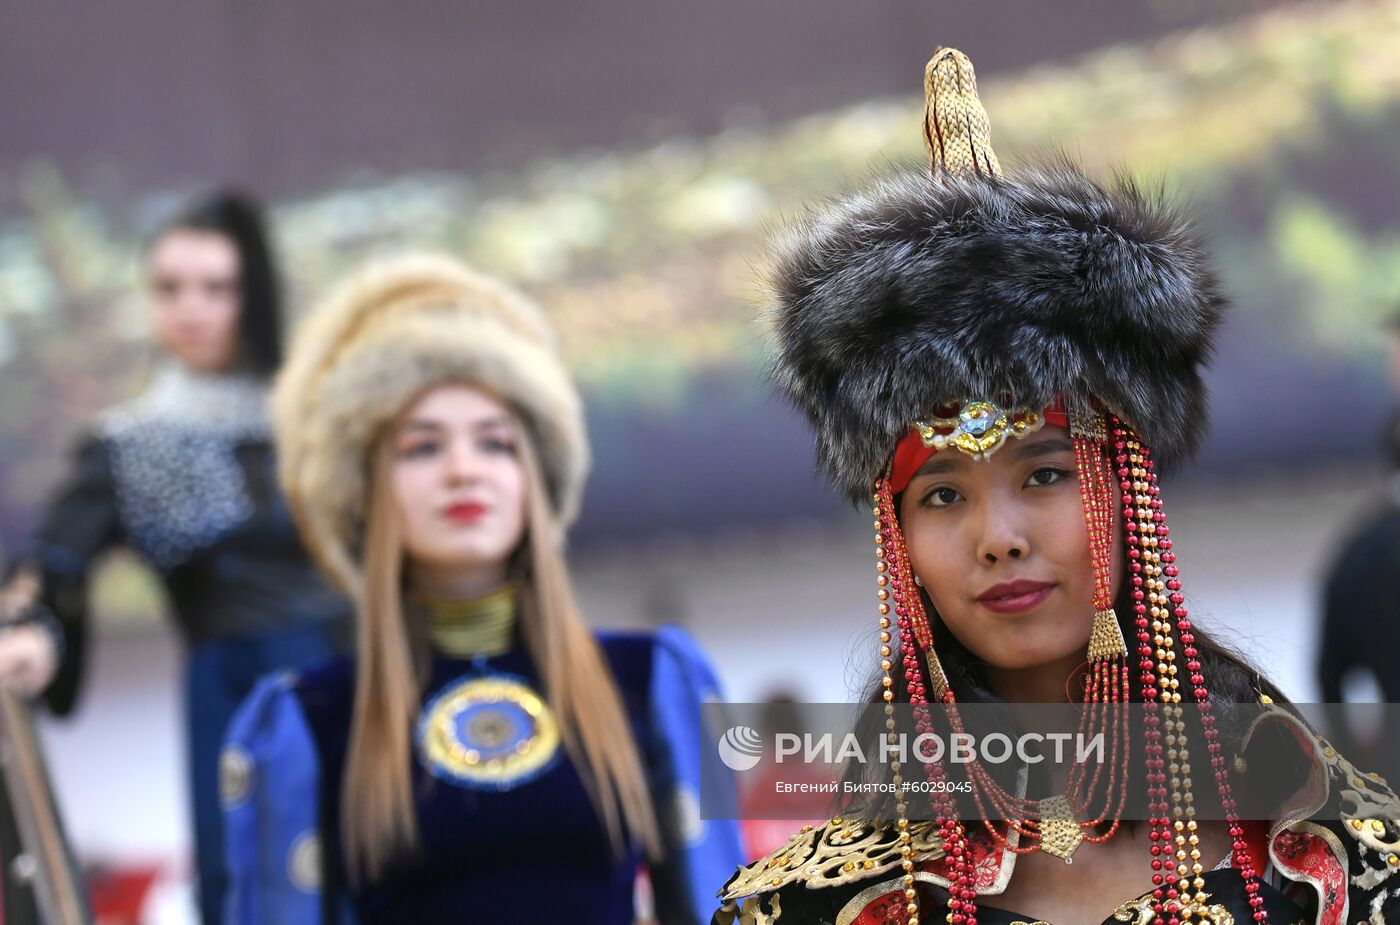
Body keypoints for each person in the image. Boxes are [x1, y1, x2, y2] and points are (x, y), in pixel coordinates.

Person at [714, 48, 1400, 925]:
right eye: (943, 495)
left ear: (1128, 489)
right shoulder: (812, 905)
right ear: (899, 539)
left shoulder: (1330, 848)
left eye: (1043, 473)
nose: (997, 536)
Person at [221, 254, 744, 924]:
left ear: (533, 474)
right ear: (364, 491)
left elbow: (717, 905)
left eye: (495, 443)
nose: (464, 470)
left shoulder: (651, 680)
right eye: (423, 448)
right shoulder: (310, 719)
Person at [0, 189, 349, 925]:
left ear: (251, 294)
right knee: (251, 885)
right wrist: (32, 626)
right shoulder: (132, 443)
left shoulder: (323, 420)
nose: (191, 307)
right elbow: (55, 556)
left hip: (355, 678)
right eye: (169, 288)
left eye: (216, 287)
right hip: (235, 691)